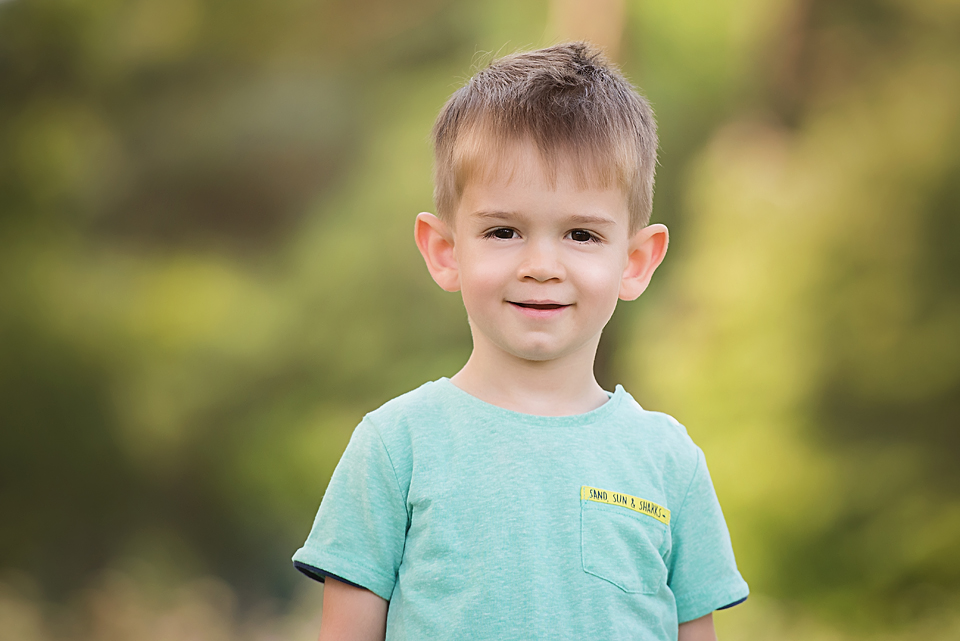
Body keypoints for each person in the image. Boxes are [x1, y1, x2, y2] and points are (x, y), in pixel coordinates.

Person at [292, 41, 748, 641]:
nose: (541, 265)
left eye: (581, 234)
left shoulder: (669, 463)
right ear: (446, 251)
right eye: (503, 231)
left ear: (636, 261)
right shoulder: (396, 447)